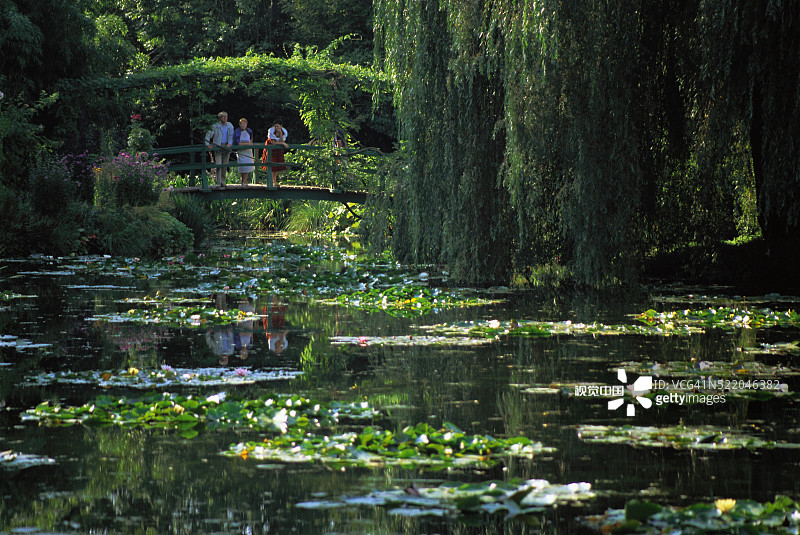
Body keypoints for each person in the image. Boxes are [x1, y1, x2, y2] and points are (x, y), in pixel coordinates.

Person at [205, 111, 235, 187]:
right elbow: (208, 135)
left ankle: (223, 182)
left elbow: (231, 136)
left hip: (226, 148)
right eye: (222, 117)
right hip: (218, 147)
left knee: (224, 166)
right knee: (219, 165)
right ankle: (218, 183)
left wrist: (230, 144)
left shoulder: (230, 126)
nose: (224, 118)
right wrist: (208, 144)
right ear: (219, 118)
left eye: (225, 116)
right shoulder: (215, 126)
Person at [262, 120, 288, 187]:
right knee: (271, 165)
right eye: (275, 126)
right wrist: (283, 143)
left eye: (278, 126)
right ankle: (271, 182)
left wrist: (280, 135)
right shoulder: (271, 131)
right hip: (271, 148)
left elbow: (281, 140)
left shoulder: (283, 131)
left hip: (277, 150)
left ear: (281, 126)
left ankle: (274, 181)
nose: (276, 128)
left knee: (276, 166)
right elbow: (273, 142)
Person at [233, 118, 255, 185]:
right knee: (242, 166)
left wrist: (248, 144)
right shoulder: (237, 131)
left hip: (248, 151)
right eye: (241, 124)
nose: (243, 125)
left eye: (244, 124)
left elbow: (251, 141)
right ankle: (243, 180)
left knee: (248, 166)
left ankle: (245, 181)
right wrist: (246, 144)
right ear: (239, 124)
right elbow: (237, 143)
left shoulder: (249, 131)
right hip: (241, 151)